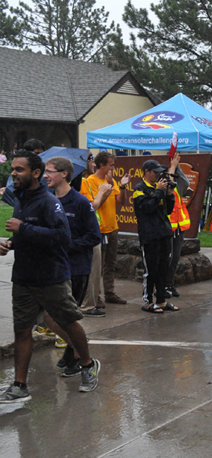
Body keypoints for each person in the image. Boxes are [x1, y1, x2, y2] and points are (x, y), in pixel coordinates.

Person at [0, 151, 100, 403]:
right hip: (23, 276)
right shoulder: (21, 200)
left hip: (51, 277)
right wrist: (10, 243)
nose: (13, 173)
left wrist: (23, 228)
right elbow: (29, 236)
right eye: (13, 169)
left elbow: (62, 238)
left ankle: (87, 365)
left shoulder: (49, 201)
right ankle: (19, 385)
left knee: (68, 323)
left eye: (19, 169)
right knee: (22, 331)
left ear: (35, 173)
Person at [43, 156, 102, 375]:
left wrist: (69, 245)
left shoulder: (80, 202)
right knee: (49, 316)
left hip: (76, 268)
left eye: (50, 171)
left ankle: (77, 356)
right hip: (54, 267)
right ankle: (74, 350)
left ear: (64, 174)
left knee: (63, 315)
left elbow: (94, 236)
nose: (46, 175)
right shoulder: (47, 200)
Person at [80, 151, 130, 305]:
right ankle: (97, 296)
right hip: (98, 229)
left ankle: (110, 292)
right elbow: (94, 206)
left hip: (112, 227)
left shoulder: (111, 180)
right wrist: (106, 191)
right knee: (97, 266)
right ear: (102, 165)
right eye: (111, 165)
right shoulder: (90, 181)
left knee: (111, 263)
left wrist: (122, 186)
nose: (113, 168)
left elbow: (122, 201)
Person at [133, 160, 178, 313]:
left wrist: (169, 194)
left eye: (159, 172)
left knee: (163, 268)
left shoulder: (160, 188)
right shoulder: (140, 189)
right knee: (150, 270)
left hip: (164, 233)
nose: (158, 175)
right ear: (146, 172)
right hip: (149, 235)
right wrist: (159, 191)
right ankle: (147, 301)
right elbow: (147, 208)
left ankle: (161, 300)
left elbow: (167, 211)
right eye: (155, 172)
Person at [165, 153, 191, 298]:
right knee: (166, 259)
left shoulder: (177, 188)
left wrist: (176, 166)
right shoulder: (162, 187)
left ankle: (170, 285)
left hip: (179, 229)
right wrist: (172, 167)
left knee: (174, 259)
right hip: (167, 229)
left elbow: (185, 182)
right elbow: (168, 184)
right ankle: (162, 286)